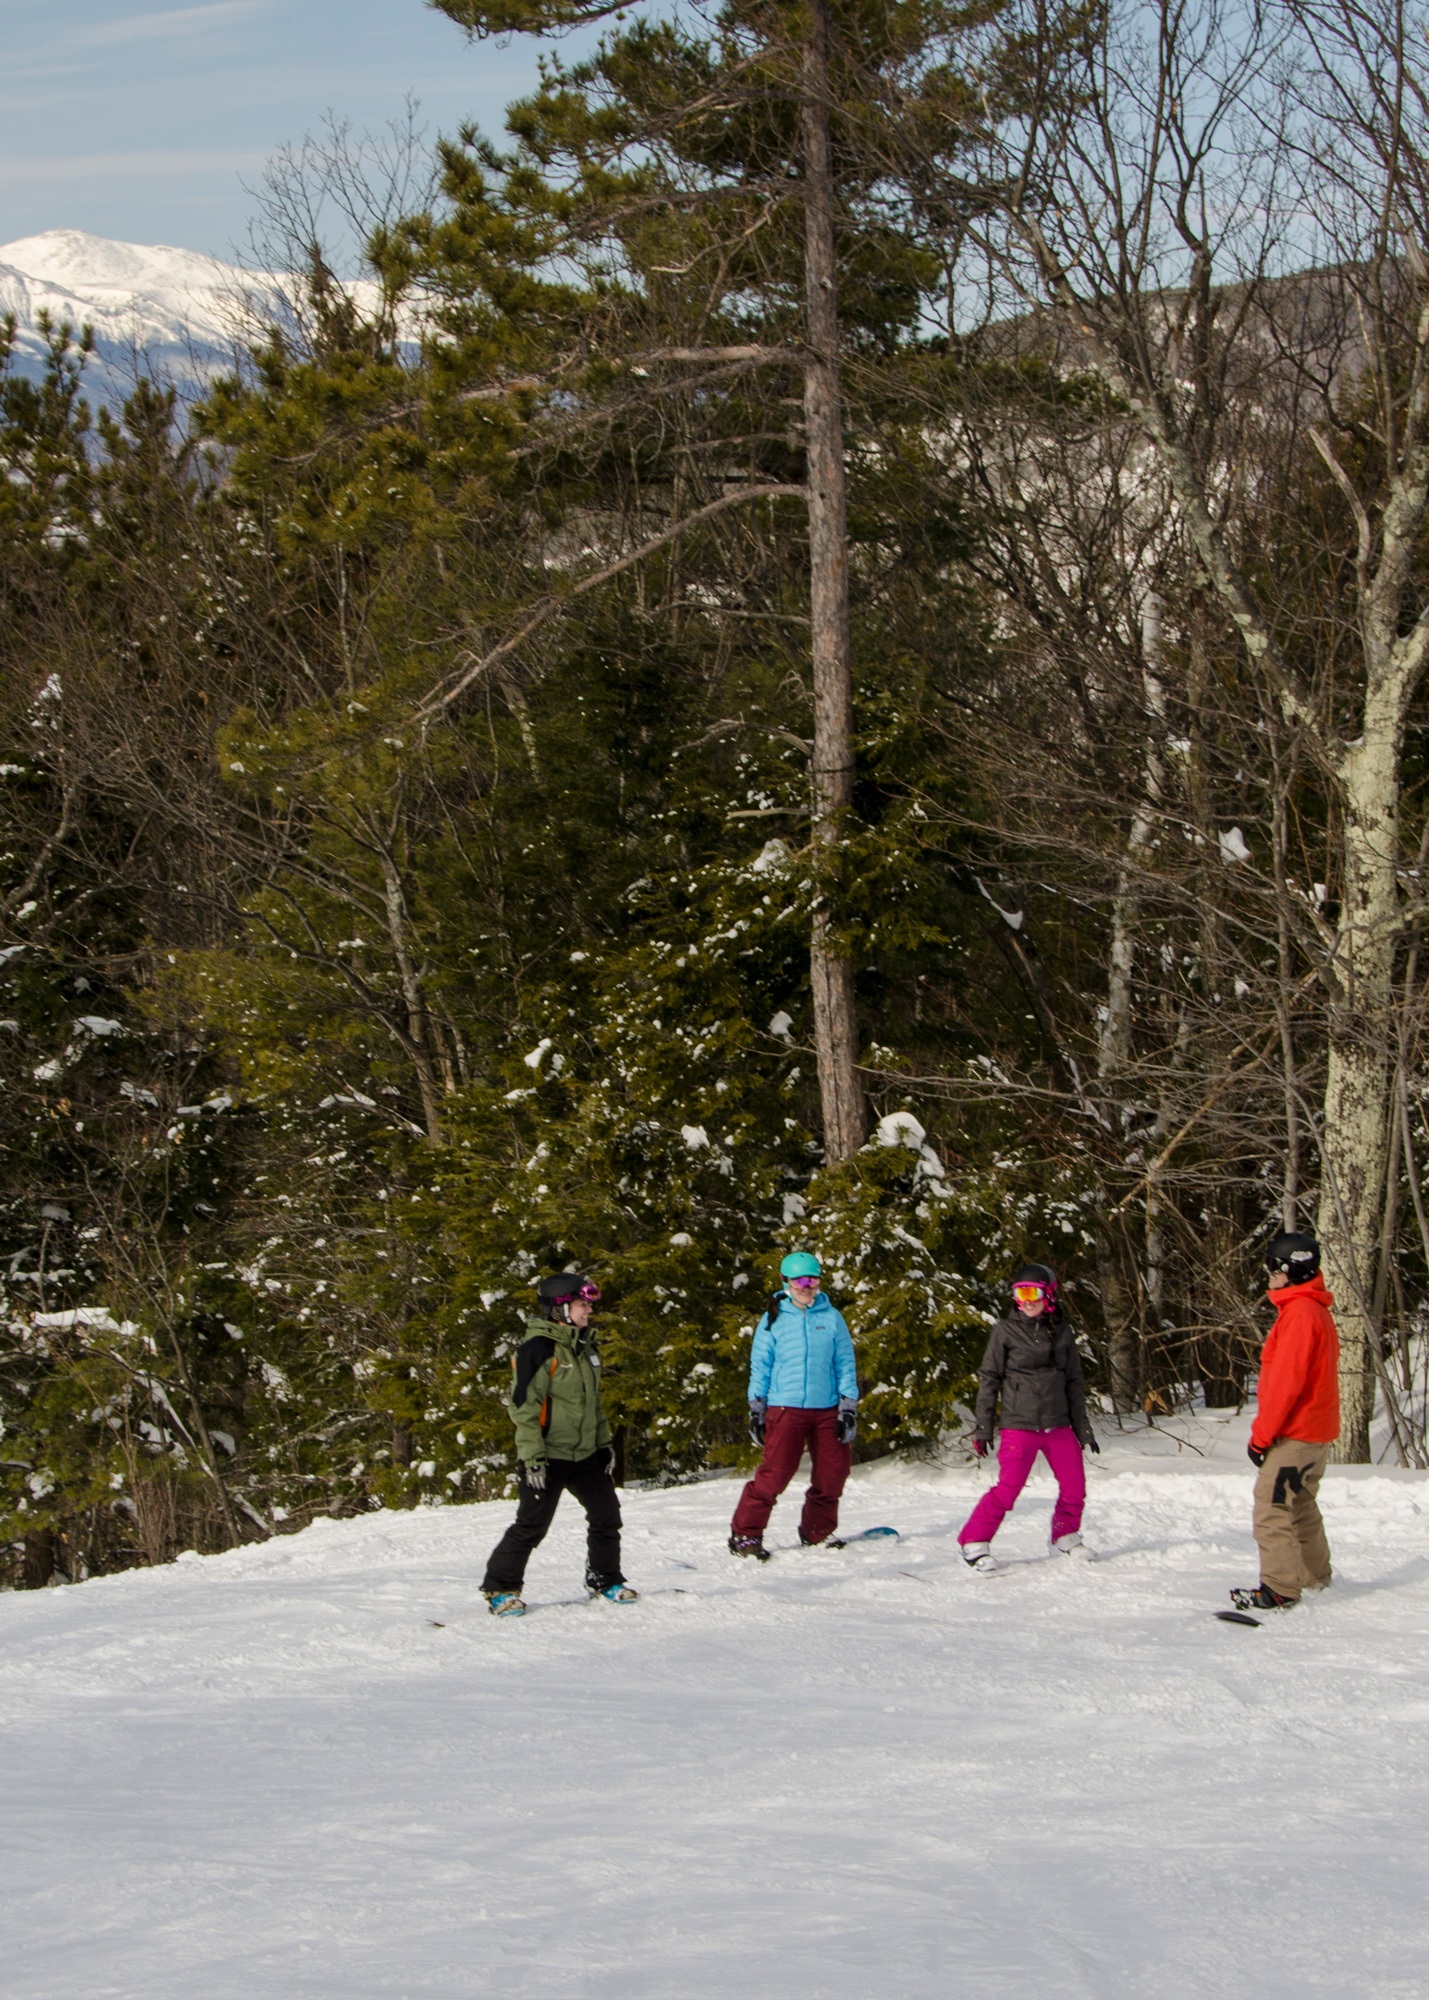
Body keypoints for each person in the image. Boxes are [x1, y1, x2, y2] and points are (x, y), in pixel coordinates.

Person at [481, 1272, 637, 1617]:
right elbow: (523, 1409)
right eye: (583, 1305)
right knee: (531, 1526)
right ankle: (500, 1588)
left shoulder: (585, 1347)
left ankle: (605, 1579)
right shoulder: (538, 1350)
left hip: (585, 1454)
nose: (589, 1312)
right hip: (547, 1457)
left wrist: (604, 1445)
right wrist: (533, 1458)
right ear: (560, 1308)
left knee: (606, 1516)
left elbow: (593, 1404)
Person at [958, 1262, 1099, 1572]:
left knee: (1075, 1486)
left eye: (1033, 1292)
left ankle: (1065, 1537)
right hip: (1019, 1425)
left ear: (1048, 1294)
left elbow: (1074, 1382)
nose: (1027, 1300)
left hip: (1058, 1423)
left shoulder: (1063, 1331)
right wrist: (983, 1429)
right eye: (1020, 1293)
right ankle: (974, 1542)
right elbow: (989, 1379)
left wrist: (1083, 1429)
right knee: (1008, 1489)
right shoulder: (1004, 1331)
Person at [1230, 1231, 1340, 1613]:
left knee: (1272, 1505)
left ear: (1290, 1269)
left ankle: (1279, 1588)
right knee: (1300, 1502)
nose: (1268, 1275)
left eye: (1272, 1267)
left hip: (1296, 1433)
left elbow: (1284, 1385)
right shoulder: (1313, 1310)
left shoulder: (1300, 1315)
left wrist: (1262, 1437)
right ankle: (1315, 1576)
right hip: (1316, 1433)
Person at [728, 1251, 859, 1559]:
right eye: (799, 1279)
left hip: (827, 1407)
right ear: (785, 1281)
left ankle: (818, 1531)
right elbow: (760, 1364)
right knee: (775, 1474)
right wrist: (756, 1407)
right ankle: (745, 1534)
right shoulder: (773, 1318)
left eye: (812, 1279)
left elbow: (845, 1362)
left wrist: (848, 1406)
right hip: (784, 1407)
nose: (806, 1285)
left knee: (833, 1473)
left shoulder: (831, 1317)